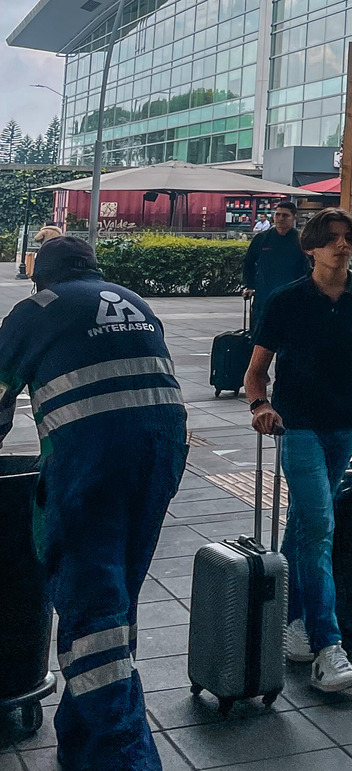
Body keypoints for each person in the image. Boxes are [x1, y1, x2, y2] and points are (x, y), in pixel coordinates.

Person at [0, 236, 188, 769]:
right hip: (163, 456)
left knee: (91, 610)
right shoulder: (133, 300)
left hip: (91, 463)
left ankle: (126, 758)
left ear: (42, 275)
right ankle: (79, 742)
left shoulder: (36, 309)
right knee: (116, 596)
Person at [244, 208, 352, 692]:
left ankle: (292, 619)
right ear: (310, 247)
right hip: (298, 427)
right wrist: (260, 406)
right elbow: (254, 372)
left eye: (347, 237)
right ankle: (329, 647)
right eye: (330, 239)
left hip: (345, 427)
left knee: (307, 523)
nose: (341, 246)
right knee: (321, 525)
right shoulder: (287, 301)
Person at [241, 200, 309, 326]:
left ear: (294, 217)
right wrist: (249, 285)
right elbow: (249, 262)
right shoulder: (262, 238)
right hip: (264, 294)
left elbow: (309, 268)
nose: (280, 218)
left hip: (292, 297)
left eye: (285, 215)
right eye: (278, 214)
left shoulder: (301, 240)